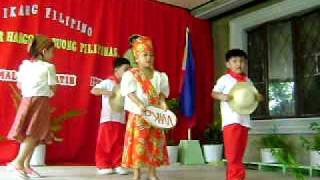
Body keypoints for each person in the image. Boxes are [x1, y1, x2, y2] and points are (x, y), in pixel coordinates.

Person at [7, 35, 57, 179]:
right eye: (52, 52)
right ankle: (18, 162)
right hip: (40, 101)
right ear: (44, 51)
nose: (53, 56)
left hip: (26, 100)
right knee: (34, 133)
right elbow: (53, 87)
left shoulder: (24, 65)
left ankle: (26, 166)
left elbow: (19, 84)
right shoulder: (49, 67)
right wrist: (45, 93)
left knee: (33, 133)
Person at [120, 36, 169, 180]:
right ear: (137, 57)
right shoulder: (131, 75)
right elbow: (129, 92)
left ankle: (152, 173)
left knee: (154, 144)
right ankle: (137, 173)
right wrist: (140, 104)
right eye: (145, 55)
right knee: (138, 146)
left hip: (155, 116)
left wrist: (163, 103)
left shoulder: (159, 76)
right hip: (139, 116)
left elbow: (161, 93)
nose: (149, 58)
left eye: (151, 55)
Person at [212, 49, 263, 180]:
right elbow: (214, 93)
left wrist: (259, 97)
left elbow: (256, 96)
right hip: (231, 121)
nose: (238, 64)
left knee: (239, 155)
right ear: (228, 64)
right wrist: (222, 96)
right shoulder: (225, 79)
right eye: (234, 61)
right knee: (233, 155)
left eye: (241, 61)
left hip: (244, 121)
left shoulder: (247, 80)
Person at [91, 57, 131, 175]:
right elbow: (94, 90)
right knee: (105, 142)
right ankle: (103, 165)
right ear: (116, 70)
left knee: (119, 143)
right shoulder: (108, 82)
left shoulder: (126, 85)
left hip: (120, 119)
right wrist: (108, 92)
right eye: (126, 69)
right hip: (108, 118)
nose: (128, 72)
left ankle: (117, 164)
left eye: (129, 69)